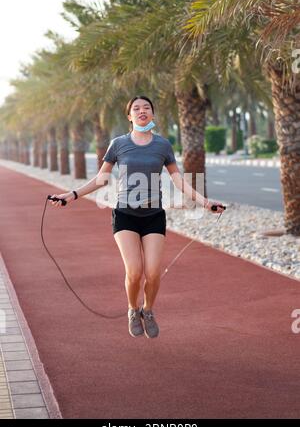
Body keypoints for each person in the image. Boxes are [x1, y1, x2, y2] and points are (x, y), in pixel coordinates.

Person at [49, 95, 225, 339]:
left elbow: (177, 179)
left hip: (154, 216)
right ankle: (133, 309)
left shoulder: (163, 145)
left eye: (147, 108)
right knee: (134, 271)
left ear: (152, 114)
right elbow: (101, 178)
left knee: (153, 273)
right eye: (136, 108)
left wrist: (206, 202)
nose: (142, 111)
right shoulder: (118, 144)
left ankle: (148, 310)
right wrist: (72, 194)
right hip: (125, 215)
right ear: (129, 116)